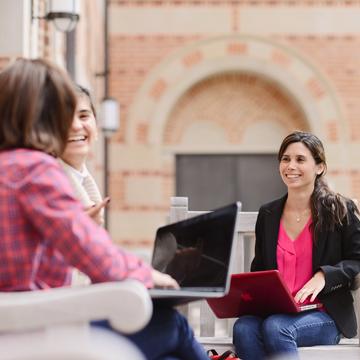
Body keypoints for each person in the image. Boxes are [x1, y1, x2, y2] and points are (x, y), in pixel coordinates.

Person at [0, 58, 209, 360]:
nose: (69, 122)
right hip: (36, 328)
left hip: (18, 323)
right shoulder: (34, 170)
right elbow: (97, 260)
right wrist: (150, 275)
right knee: (172, 324)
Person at [232, 130, 360, 360]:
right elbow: (260, 267)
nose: (291, 166)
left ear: (319, 167)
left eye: (300, 159)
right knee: (243, 328)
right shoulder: (268, 214)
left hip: (324, 314)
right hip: (276, 312)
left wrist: (324, 276)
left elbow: (357, 258)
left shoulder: (339, 209)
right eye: (285, 159)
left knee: (276, 327)